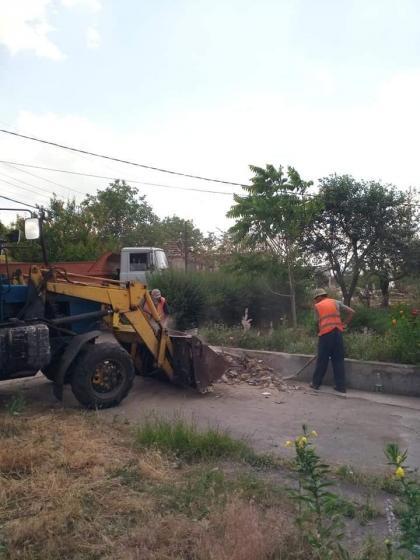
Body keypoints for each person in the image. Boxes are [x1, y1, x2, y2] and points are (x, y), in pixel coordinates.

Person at [310, 288, 355, 393]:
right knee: (338, 360)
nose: (315, 301)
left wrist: (319, 334)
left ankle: (316, 384)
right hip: (338, 333)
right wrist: (344, 324)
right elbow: (352, 312)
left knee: (322, 360)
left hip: (326, 335)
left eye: (316, 299)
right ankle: (341, 387)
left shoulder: (318, 306)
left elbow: (317, 322)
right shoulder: (336, 302)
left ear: (320, 297)